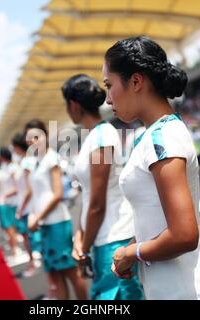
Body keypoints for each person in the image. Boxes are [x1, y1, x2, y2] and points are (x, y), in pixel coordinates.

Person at [103, 36, 200, 300]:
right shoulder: (152, 136)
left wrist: (130, 253)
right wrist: (131, 251)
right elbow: (155, 221)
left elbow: (185, 234)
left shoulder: (161, 138)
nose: (107, 99)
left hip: (195, 292)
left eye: (109, 85)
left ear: (136, 82)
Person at [62, 74, 143, 300]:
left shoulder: (102, 138)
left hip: (114, 237)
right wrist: (80, 237)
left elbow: (97, 203)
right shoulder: (93, 137)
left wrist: (83, 246)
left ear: (74, 105)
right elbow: (88, 195)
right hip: (101, 237)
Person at [25, 119, 88, 300]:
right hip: (44, 224)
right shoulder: (35, 162)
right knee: (55, 275)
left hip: (57, 222)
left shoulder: (52, 158)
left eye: (36, 136)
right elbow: (36, 195)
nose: (32, 141)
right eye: (29, 138)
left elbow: (58, 194)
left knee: (70, 272)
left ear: (45, 136)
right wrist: (33, 216)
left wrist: (38, 218)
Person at [11, 132, 40, 277]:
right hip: (25, 205)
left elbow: (29, 189)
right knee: (28, 237)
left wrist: (21, 208)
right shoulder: (23, 162)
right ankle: (33, 262)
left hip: (28, 206)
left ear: (17, 147)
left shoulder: (27, 162)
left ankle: (33, 263)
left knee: (29, 237)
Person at [0, 154, 19, 259]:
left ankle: (14, 251)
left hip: (2, 203)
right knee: (12, 227)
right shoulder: (4, 172)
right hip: (9, 201)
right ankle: (14, 248)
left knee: (8, 228)